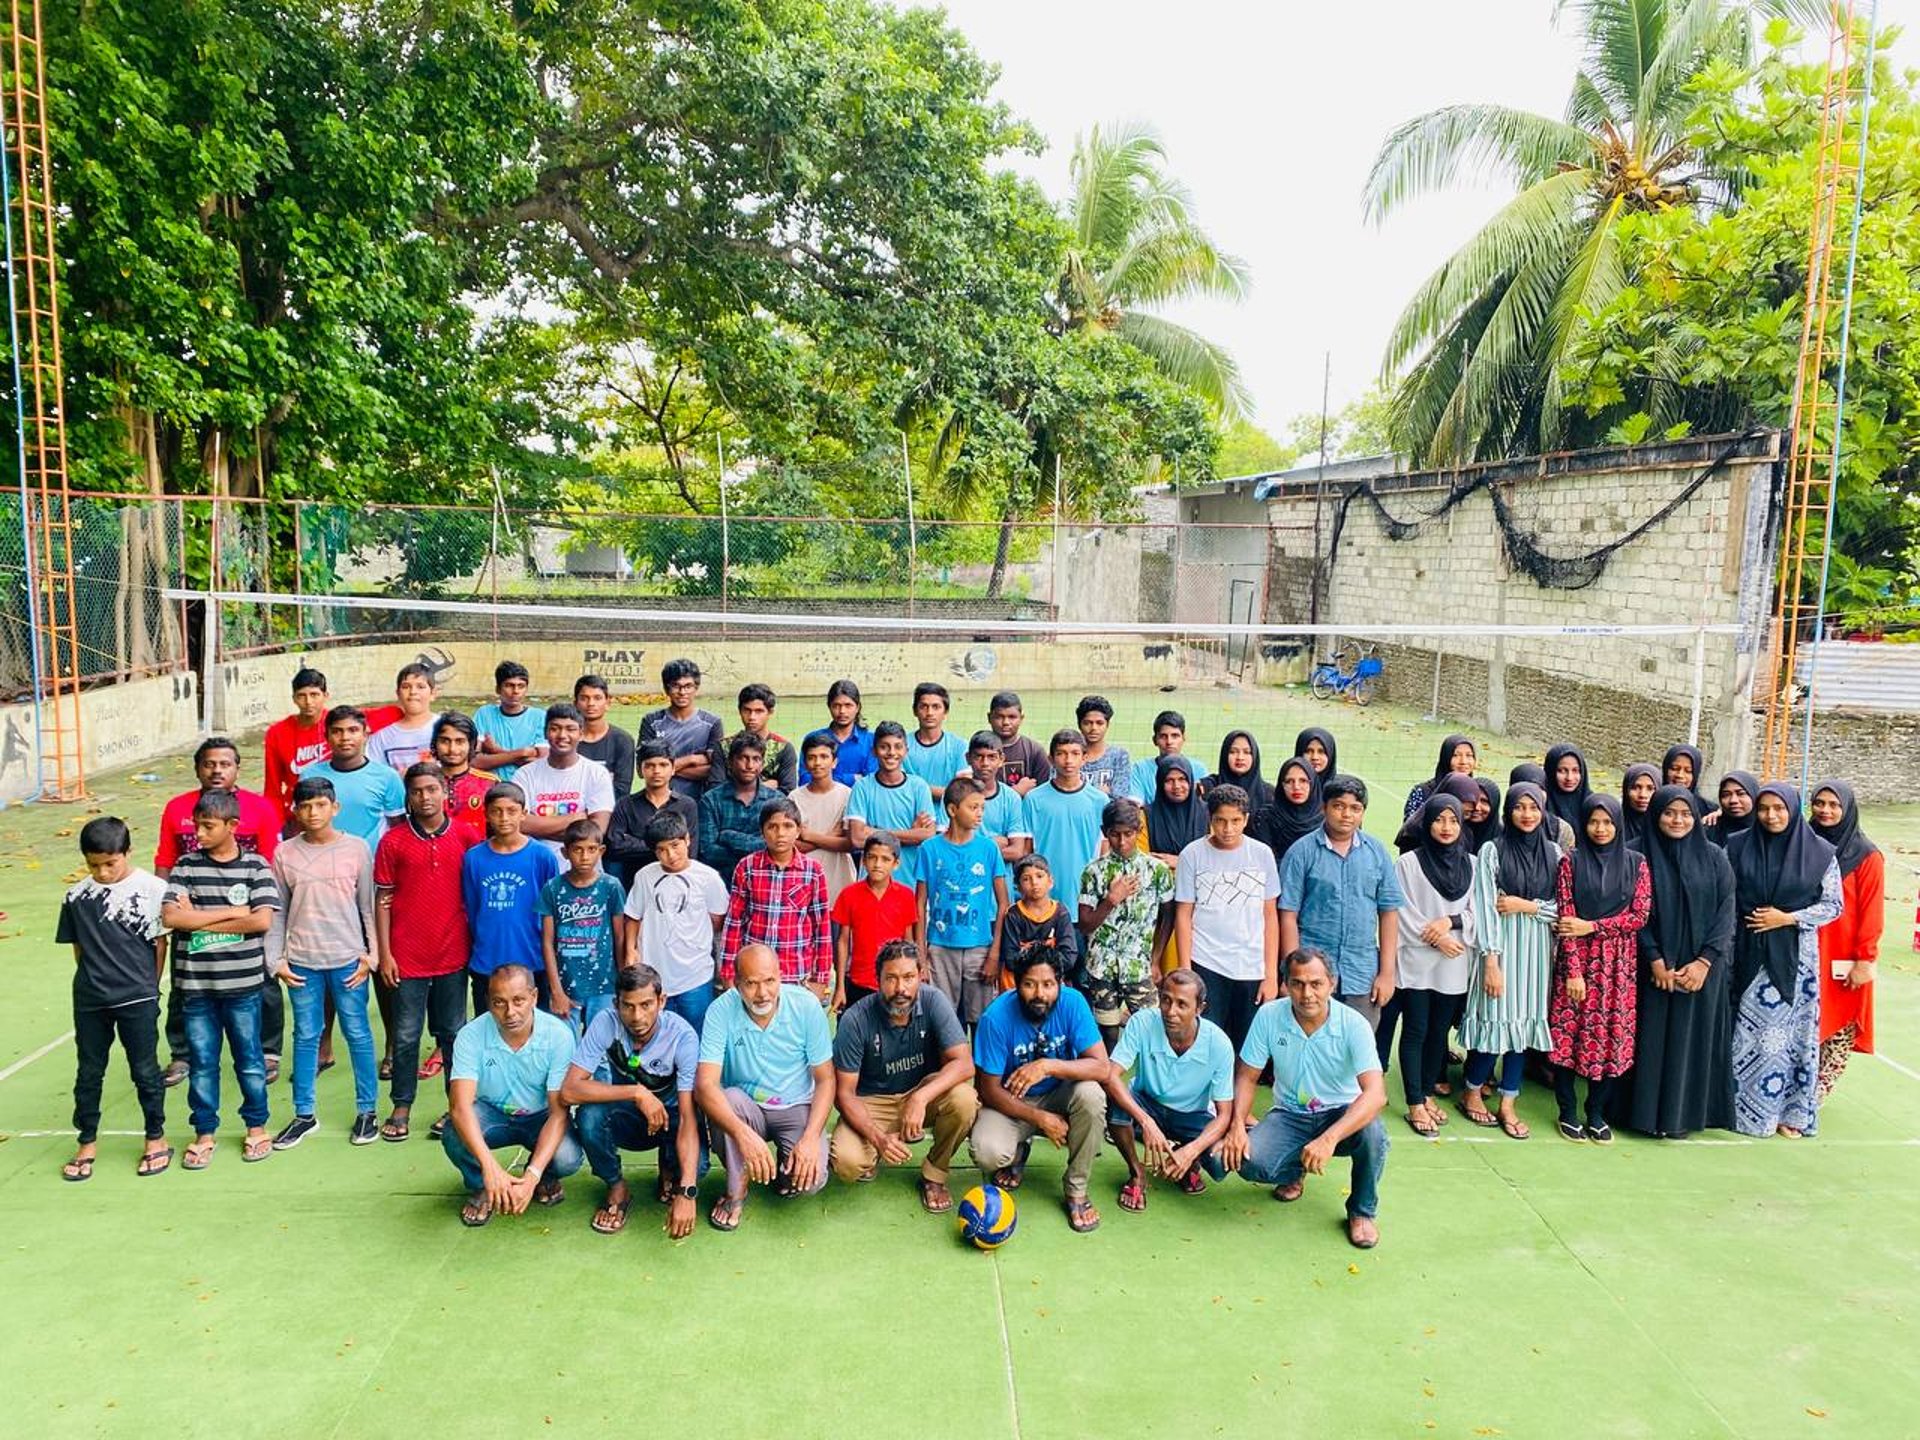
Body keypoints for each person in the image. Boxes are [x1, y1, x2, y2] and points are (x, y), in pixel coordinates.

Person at [1219, 949, 1388, 1250]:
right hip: (1290, 1114)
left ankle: (1362, 1212)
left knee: (1373, 1133)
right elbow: (1246, 1076)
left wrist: (1329, 1138)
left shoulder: (1353, 1024)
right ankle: (1295, 1172)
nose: (1306, 993)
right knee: (1246, 1162)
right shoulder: (1269, 1015)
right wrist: (1236, 1126)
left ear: (1331, 984)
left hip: (1341, 1115)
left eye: (1316, 984)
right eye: (1297, 983)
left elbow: (1376, 1095)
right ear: (1285, 985)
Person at [154, 737, 284, 1087]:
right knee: (185, 989)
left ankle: (268, 1051)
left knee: (263, 982)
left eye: (224, 764)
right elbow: (166, 862)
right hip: (194, 926)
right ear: (198, 769)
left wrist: (254, 910)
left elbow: (271, 863)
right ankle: (182, 1054)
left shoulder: (260, 808)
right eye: (209, 764)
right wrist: (168, 904)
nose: (216, 770)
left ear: (237, 769)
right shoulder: (176, 808)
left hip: (247, 917)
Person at [161, 790, 280, 1168]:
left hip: (243, 987)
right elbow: (172, 918)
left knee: (249, 1060)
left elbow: (261, 921)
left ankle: (257, 1128)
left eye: (208, 826)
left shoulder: (256, 867)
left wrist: (200, 914)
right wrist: (234, 912)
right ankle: (204, 1132)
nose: (199, 832)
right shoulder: (184, 866)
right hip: (196, 989)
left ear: (232, 826)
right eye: (196, 824)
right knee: (202, 1061)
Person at [57, 816, 173, 1180]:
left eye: (111, 863)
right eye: (94, 865)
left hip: (137, 999)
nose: (103, 872)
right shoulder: (76, 896)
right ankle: (86, 1141)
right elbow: (79, 949)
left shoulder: (153, 889)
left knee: (145, 1071)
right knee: (89, 1072)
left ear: (127, 853)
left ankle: (155, 1138)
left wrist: (149, 989)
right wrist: (92, 981)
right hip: (90, 1001)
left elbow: (159, 944)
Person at [268, 776, 379, 1149]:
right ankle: (304, 1114)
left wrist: (372, 954)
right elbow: (277, 910)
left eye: (320, 805)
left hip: (349, 960)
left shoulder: (358, 849)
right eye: (305, 806)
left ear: (335, 808)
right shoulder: (285, 853)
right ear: (296, 811)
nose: (313, 813)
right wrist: (276, 960)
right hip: (302, 962)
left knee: (358, 1033)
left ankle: (367, 1111)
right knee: (305, 1035)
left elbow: (368, 905)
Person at [830, 939, 980, 1212]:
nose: (901, 988)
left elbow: (964, 1064)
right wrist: (877, 1138)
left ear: (920, 976)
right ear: (877, 980)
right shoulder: (855, 1018)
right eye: (891, 979)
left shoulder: (933, 1000)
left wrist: (920, 1098)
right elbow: (843, 1095)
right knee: (847, 1163)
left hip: (920, 1091)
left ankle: (935, 1174)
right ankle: (875, 1149)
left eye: (909, 977)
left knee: (965, 1099)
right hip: (872, 1100)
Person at [1726, 783, 1841, 1139]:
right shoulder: (1738, 845)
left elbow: (1833, 906)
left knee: (1787, 1038)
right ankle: (1739, 1112)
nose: (1771, 815)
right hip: (1744, 953)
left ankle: (1787, 1114)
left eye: (1779, 808)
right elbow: (1724, 893)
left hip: (1795, 961)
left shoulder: (1820, 853)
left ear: (1793, 810)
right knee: (1743, 1035)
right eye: (1764, 808)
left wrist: (1788, 918)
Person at [374, 762, 479, 1143]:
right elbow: (383, 899)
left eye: (432, 789)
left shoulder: (466, 836)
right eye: (417, 791)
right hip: (407, 957)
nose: (425, 797)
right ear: (408, 797)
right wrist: (385, 954)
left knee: (452, 1032)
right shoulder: (393, 842)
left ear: (444, 793)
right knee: (404, 1035)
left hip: (453, 953)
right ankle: (401, 1104)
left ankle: (457, 1106)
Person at [695, 943, 834, 1230]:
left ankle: (785, 1169)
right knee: (726, 1100)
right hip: (746, 1108)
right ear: (735, 984)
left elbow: (826, 1079)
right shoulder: (720, 1011)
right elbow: (705, 1085)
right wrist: (741, 1133)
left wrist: (810, 1138)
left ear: (781, 977)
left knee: (810, 1181)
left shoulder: (806, 1006)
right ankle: (736, 1189)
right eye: (751, 984)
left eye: (770, 981)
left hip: (796, 1105)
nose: (762, 993)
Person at [969, 949, 1110, 1233]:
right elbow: (987, 1089)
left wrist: (1048, 1066)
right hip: (1013, 1101)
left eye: (1048, 984)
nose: (1039, 994)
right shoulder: (995, 1017)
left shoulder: (1073, 1003)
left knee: (1092, 1095)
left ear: (1060, 983)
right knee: (987, 1152)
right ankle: (1019, 1150)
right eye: (1029, 984)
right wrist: (1039, 1119)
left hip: (1060, 1093)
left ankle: (1076, 1190)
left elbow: (1102, 1068)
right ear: (1016, 983)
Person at [560, 964, 703, 1239]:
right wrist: (636, 1093)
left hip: (670, 1119)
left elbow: (687, 1117)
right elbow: (570, 1090)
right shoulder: (605, 1022)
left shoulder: (682, 1036)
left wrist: (688, 1191)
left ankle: (670, 1169)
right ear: (616, 1004)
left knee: (698, 1168)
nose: (637, 1016)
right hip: (629, 1114)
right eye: (628, 1006)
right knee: (589, 1116)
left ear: (662, 1001)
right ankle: (616, 1186)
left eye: (647, 1004)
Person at [1628, 785, 1736, 1138]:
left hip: (1700, 972)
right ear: (1656, 814)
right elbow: (1630, 911)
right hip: (1650, 969)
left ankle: (1680, 1119)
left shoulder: (1715, 857)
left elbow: (1726, 912)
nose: (1678, 820)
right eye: (1669, 813)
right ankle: (1641, 1116)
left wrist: (1704, 963)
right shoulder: (1635, 855)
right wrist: (1655, 959)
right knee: (1650, 1040)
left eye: (1686, 814)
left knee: (1691, 1041)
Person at [442, 965, 583, 1226]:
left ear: (534, 997)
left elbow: (558, 1113)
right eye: (499, 1003)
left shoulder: (559, 1036)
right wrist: (490, 1168)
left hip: (540, 1116)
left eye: (518, 1000)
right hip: (491, 1114)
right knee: (454, 1133)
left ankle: (543, 1176)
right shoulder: (470, 1036)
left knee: (568, 1158)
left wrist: (532, 1175)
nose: (510, 1012)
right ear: (488, 1002)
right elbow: (460, 1107)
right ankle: (482, 1185)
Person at [1546, 795, 1652, 1144]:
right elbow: (1566, 918)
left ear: (1618, 825)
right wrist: (1574, 971)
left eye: (1608, 822)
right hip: (1577, 963)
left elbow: (1638, 917)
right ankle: (1567, 1110)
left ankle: (1596, 1112)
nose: (1601, 829)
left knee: (1610, 1039)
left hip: (1619, 969)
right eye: (1594, 822)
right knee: (1568, 1037)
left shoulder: (1636, 864)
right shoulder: (1571, 863)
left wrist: (1592, 926)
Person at [1457, 782, 1560, 1139]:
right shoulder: (1492, 850)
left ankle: (1507, 1102)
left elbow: (1563, 910)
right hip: (1500, 951)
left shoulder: (1555, 853)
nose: (1527, 815)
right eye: (1520, 807)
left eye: (1533, 808)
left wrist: (1526, 905)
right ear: (1509, 811)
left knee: (1522, 1029)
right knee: (1494, 1022)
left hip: (1536, 955)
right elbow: (1486, 907)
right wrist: (1490, 962)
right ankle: (1471, 1090)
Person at [1278, 774, 1402, 1033]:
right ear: (1324, 808)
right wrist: (1291, 973)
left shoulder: (1377, 853)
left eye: (1355, 808)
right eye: (1339, 806)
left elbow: (1388, 912)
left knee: (1357, 1045)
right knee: (1308, 1042)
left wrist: (1387, 973)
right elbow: (1288, 914)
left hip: (1362, 972)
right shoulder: (1301, 852)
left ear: (1363, 812)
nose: (1346, 814)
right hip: (1310, 975)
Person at [1103, 969, 1234, 1211]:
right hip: (1147, 1103)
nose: (1170, 1011)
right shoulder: (1142, 1022)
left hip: (1193, 1115)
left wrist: (1191, 1151)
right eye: (1165, 1000)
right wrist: (1146, 1121)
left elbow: (1225, 1114)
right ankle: (1136, 1173)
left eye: (1182, 1004)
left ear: (1199, 1009)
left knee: (1218, 1164)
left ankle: (1188, 1160)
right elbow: (1111, 1075)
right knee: (1115, 1104)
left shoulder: (1219, 1044)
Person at [1391, 795, 1477, 1137]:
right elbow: (1400, 909)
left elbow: (1479, 910)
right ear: (1427, 823)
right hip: (1416, 961)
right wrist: (1434, 937)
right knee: (1415, 1030)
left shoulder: (1471, 864)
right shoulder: (1409, 864)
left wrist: (1451, 922)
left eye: (1453, 820)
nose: (1446, 827)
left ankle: (1427, 1093)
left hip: (1453, 962)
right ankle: (1414, 1101)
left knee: (1438, 1034)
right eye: (1439, 820)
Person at [1174, 784, 1281, 1052]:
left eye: (1235, 821)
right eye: (1220, 821)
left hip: (1251, 965)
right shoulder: (1192, 855)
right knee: (1206, 1041)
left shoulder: (1262, 854)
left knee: (1246, 1045)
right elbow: (1184, 915)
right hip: (1206, 961)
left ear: (1246, 819)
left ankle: (1236, 1094)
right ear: (1210, 819)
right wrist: (1187, 970)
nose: (1228, 828)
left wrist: (1270, 976)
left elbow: (1270, 916)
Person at [1078, 798, 1175, 1048]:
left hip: (1138, 965)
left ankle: (1150, 1085)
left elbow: (1168, 915)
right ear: (1105, 833)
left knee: (1152, 1031)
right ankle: (1109, 1086)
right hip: (1101, 966)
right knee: (1108, 1033)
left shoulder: (1157, 871)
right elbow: (1086, 924)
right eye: (1115, 835)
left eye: (1128, 834)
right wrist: (1110, 900)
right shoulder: (1093, 872)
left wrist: (1155, 959)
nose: (1122, 842)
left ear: (1139, 832)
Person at [623, 811, 729, 1034]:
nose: (670, 855)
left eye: (675, 845)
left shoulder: (708, 878)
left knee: (696, 1035)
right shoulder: (645, 876)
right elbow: (634, 915)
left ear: (687, 840)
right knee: (657, 1037)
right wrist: (631, 950)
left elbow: (717, 919)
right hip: (654, 975)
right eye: (661, 850)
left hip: (695, 975)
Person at [916, 777, 1011, 1024]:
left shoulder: (988, 849)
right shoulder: (929, 849)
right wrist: (921, 954)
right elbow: (919, 904)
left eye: (982, 808)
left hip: (980, 947)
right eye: (973, 807)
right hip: (940, 947)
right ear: (952, 810)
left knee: (982, 1021)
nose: (980, 814)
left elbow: (1003, 904)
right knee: (942, 1020)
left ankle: (979, 1065)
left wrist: (994, 953)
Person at [1810, 779, 1882, 1102]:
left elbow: (1871, 912)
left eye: (1834, 805)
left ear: (1848, 808)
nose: (1825, 811)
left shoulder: (1866, 856)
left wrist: (1865, 959)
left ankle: (1814, 1098)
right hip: (1807, 949)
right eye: (1820, 803)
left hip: (1843, 958)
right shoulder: (1803, 843)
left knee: (1839, 1025)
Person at [462, 783, 562, 1015]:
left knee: (536, 1026)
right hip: (488, 960)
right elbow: (472, 907)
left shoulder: (542, 856)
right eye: (497, 811)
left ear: (524, 813)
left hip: (533, 958)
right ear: (486, 814)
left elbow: (552, 912)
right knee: (489, 1025)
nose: (504, 817)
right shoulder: (474, 858)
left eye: (511, 811)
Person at [719, 798, 832, 994]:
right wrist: (729, 973)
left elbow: (821, 927)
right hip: (754, 974)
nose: (780, 833)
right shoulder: (747, 867)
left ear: (798, 831)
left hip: (796, 974)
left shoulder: (812, 871)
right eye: (772, 826)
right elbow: (734, 922)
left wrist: (821, 978)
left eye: (788, 826)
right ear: (762, 831)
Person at [538, 818, 627, 1030]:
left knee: (602, 1050)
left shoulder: (611, 886)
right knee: (565, 1048)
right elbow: (547, 943)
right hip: (566, 985)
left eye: (591, 849)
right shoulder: (553, 888)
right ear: (565, 852)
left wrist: (623, 985)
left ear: (601, 851)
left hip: (604, 985)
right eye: (577, 850)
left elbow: (620, 937)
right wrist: (556, 991)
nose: (585, 856)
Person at [512, 704, 616, 858]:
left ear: (581, 734)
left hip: (582, 868)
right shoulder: (525, 775)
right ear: (546, 733)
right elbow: (519, 824)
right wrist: (576, 818)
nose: (562, 735)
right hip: (536, 863)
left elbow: (596, 830)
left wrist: (540, 827)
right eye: (555, 728)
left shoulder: (597, 773)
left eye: (570, 729)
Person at [1025, 729, 1109, 914]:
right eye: (1061, 754)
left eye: (1075, 754)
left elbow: (1104, 850)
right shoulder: (1034, 799)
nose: (1068, 760)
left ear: (1084, 757)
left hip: (1084, 901)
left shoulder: (1099, 801)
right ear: (1051, 758)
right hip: (1044, 901)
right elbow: (1028, 849)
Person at [832, 836, 919, 1011]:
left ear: (896, 863)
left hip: (894, 982)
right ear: (863, 860)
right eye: (872, 857)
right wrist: (840, 986)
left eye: (885, 859)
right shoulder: (849, 894)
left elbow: (908, 941)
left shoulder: (906, 896)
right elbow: (842, 941)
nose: (878, 864)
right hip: (858, 981)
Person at [847, 721, 937, 887]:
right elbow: (857, 839)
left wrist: (874, 832)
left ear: (906, 751)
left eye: (898, 747)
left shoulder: (919, 787)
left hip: (909, 880)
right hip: (871, 884)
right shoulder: (863, 787)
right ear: (874, 751)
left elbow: (928, 835)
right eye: (884, 747)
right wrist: (910, 833)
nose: (891, 753)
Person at [606, 739, 701, 883]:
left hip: (677, 881)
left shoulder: (686, 805)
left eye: (663, 765)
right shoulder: (626, 805)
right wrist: (666, 845)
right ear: (640, 770)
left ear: (673, 768)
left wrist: (635, 842)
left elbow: (690, 851)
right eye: (649, 765)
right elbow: (615, 846)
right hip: (636, 882)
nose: (656, 771)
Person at [311, 706, 407, 848]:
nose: (345, 738)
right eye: (337, 731)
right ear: (327, 737)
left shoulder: (387, 777)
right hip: (323, 862)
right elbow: (303, 824)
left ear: (365, 735)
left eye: (353, 730)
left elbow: (398, 828)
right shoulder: (310, 775)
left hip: (372, 864)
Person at [639, 658, 725, 799]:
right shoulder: (652, 721)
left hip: (700, 802)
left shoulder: (712, 723)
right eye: (676, 686)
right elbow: (642, 769)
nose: (682, 692)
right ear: (667, 688)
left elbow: (715, 770)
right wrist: (692, 759)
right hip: (660, 801)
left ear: (696, 687)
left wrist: (664, 768)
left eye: (688, 686)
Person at [700, 732, 780, 883]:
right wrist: (758, 849)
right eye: (743, 758)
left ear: (762, 764)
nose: (749, 765)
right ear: (730, 762)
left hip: (766, 884)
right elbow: (708, 852)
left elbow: (778, 847)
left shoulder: (776, 800)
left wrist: (728, 836)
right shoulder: (711, 800)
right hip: (723, 883)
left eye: (756, 759)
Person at [791, 732, 855, 901]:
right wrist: (832, 836)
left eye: (824, 757)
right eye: (812, 757)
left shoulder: (848, 796)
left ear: (834, 762)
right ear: (805, 762)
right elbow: (793, 847)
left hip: (840, 880)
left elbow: (849, 844)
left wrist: (809, 835)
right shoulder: (795, 798)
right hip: (803, 882)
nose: (817, 763)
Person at [262, 667, 334, 818]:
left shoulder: (338, 723)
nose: (308, 702)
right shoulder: (277, 733)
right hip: (298, 809)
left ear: (326, 696)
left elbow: (386, 714)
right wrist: (275, 824)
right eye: (302, 696)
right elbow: (272, 787)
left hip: (334, 805)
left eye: (314, 695)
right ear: (294, 698)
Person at [1000, 853, 1078, 989]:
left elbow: (1069, 956)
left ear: (1050, 881)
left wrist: (1029, 953)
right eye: (1026, 879)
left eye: (1039, 876)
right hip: (1017, 984)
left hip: (1052, 982)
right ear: (1018, 887)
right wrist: (1047, 952)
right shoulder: (1013, 915)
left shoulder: (1060, 913)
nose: (1034, 883)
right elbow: (1011, 958)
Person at [962, 729, 1033, 864]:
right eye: (978, 757)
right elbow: (948, 847)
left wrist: (968, 848)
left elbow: (1017, 851)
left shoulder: (1012, 798)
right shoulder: (955, 794)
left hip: (999, 881)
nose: (985, 763)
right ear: (968, 758)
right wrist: (992, 844)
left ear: (1001, 760)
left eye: (991, 757)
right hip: (964, 880)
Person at [472, 660, 549, 779]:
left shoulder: (540, 717)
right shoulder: (485, 714)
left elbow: (542, 765)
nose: (516, 691)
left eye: (521, 686)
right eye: (509, 685)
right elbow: (475, 761)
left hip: (528, 785)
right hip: (494, 787)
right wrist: (522, 753)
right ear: (498, 689)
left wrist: (496, 750)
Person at [368, 662, 443, 774]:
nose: (413, 692)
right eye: (406, 687)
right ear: (398, 693)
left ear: (433, 693)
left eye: (420, 687)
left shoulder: (445, 727)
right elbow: (377, 776)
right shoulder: (382, 736)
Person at [1253, 756, 1323, 868]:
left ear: (1312, 784)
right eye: (1289, 781)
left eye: (1303, 781)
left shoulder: (1324, 820)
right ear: (1281, 785)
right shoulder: (1266, 817)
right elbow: (1266, 860)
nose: (1296, 787)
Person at [431, 713, 493, 837]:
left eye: (459, 742)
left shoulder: (490, 784)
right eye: (445, 741)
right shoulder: (424, 783)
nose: (452, 749)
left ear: (471, 745)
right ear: (434, 744)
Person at [574, 674, 635, 796]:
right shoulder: (567, 740)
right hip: (572, 808)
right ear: (575, 703)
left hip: (608, 810)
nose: (591, 703)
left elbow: (622, 789)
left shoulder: (623, 741)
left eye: (597, 698)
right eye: (584, 698)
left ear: (607, 703)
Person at [904, 682, 967, 800]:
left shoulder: (959, 746)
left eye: (936, 707)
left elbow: (961, 793)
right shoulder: (901, 745)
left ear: (945, 712)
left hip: (948, 817)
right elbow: (899, 787)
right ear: (914, 711)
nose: (929, 713)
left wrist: (916, 788)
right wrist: (946, 793)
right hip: (912, 816)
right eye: (923, 706)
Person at [1131, 709, 1208, 802]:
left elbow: (1203, 805)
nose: (1169, 742)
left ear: (1184, 738)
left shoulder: (1198, 769)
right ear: (1154, 740)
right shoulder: (1140, 769)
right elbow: (1135, 804)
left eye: (1175, 736)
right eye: (1163, 736)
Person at [1144, 754, 1208, 866]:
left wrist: (1180, 861)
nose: (1176, 786)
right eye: (1169, 780)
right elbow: (1143, 858)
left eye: (1182, 779)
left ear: (1190, 781)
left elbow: (1217, 857)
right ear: (1160, 783)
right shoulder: (1145, 815)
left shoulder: (1209, 813)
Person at [734, 683, 798, 793]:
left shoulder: (784, 749)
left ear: (770, 712)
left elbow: (787, 792)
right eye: (747, 710)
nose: (752, 717)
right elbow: (716, 789)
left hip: (770, 810)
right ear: (740, 710)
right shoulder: (725, 746)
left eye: (759, 711)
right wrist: (764, 786)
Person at [1402, 734, 1477, 821]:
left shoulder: (1477, 793)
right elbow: (1409, 829)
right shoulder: (1423, 792)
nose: (1463, 761)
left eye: (1469, 755)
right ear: (1446, 758)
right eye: (1456, 755)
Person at [987, 691, 1050, 794]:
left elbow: (1044, 793)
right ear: (989, 718)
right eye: (999, 717)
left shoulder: (1035, 751)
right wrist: (1015, 792)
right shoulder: (980, 751)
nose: (1006, 722)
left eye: (1012, 717)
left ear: (1021, 718)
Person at [820, 678, 877, 786]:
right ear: (829, 706)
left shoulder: (871, 741)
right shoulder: (814, 740)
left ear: (857, 707)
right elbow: (806, 780)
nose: (842, 711)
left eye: (848, 705)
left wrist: (825, 777)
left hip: (860, 801)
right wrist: (852, 778)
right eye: (836, 706)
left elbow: (871, 781)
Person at [1203, 730, 1275, 815]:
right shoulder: (1209, 787)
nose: (1240, 757)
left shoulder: (1269, 793)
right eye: (1233, 752)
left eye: (1247, 752)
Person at [1511, 762, 1577, 850]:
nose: (1533, 794)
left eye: (1539, 788)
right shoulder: (1500, 828)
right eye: (1525, 789)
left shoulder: (1561, 829)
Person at [1075, 695, 1131, 798]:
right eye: (1087, 723)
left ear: (1107, 724)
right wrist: (1101, 792)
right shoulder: (1070, 755)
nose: (1093, 728)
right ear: (1079, 725)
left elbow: (1121, 795)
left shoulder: (1119, 756)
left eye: (1099, 723)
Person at [1543, 743, 1591, 845]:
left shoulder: (1593, 805)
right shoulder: (1539, 805)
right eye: (1562, 771)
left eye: (1575, 771)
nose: (1569, 778)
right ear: (1551, 772)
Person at [1705, 769, 1759, 847]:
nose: (1733, 800)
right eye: (1726, 795)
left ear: (1753, 794)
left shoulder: (1766, 830)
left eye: (1741, 793)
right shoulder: (1709, 830)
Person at [1619, 763, 1661, 852]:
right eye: (1635, 787)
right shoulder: (1613, 825)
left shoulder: (1668, 827)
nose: (1643, 795)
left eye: (1650, 789)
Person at [1662, 743, 1711, 809]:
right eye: (1675, 768)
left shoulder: (1708, 811)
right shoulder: (1650, 803)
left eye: (1688, 771)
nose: (1680, 775)